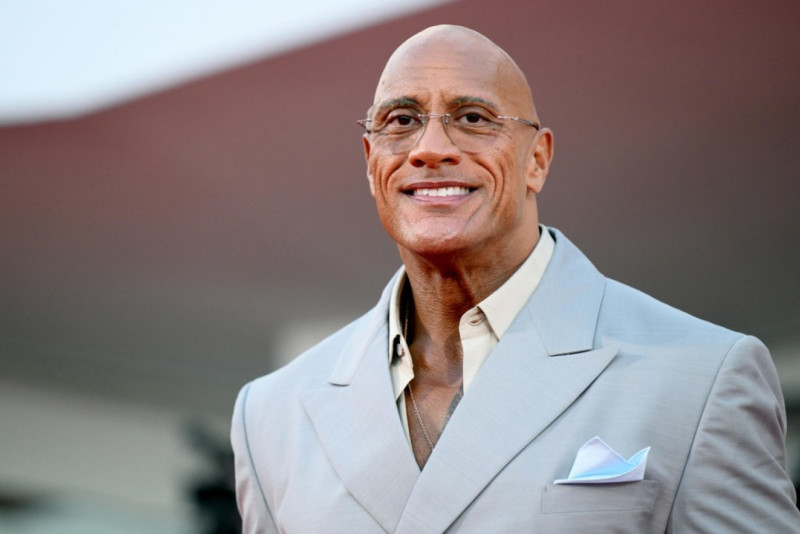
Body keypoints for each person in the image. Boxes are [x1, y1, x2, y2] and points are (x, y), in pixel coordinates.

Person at [231, 25, 799, 532]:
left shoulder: (701, 379)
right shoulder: (272, 415)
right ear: (370, 159)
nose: (430, 149)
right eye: (401, 121)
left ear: (537, 160)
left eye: (473, 119)